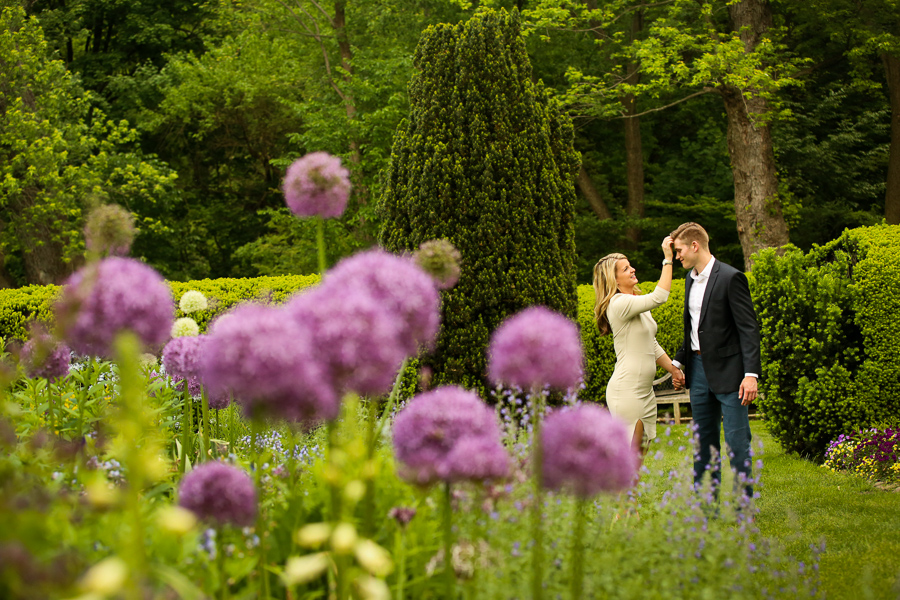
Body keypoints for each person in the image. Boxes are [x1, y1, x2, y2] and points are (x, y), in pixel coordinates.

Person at [669, 222, 761, 498]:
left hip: (731, 374)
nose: (677, 257)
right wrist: (678, 362)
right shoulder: (689, 279)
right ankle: (706, 510)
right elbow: (695, 328)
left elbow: (748, 329)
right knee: (703, 443)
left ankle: (745, 508)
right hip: (697, 373)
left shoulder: (731, 277)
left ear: (695, 246)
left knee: (737, 442)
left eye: (679, 250)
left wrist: (751, 374)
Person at [593, 237, 685, 456]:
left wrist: (672, 368)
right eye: (626, 269)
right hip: (627, 392)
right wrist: (668, 259)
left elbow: (650, 344)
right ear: (613, 279)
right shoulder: (619, 303)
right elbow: (660, 297)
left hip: (644, 392)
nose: (633, 269)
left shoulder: (635, 301)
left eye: (630, 265)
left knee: (639, 456)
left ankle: (626, 491)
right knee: (630, 457)